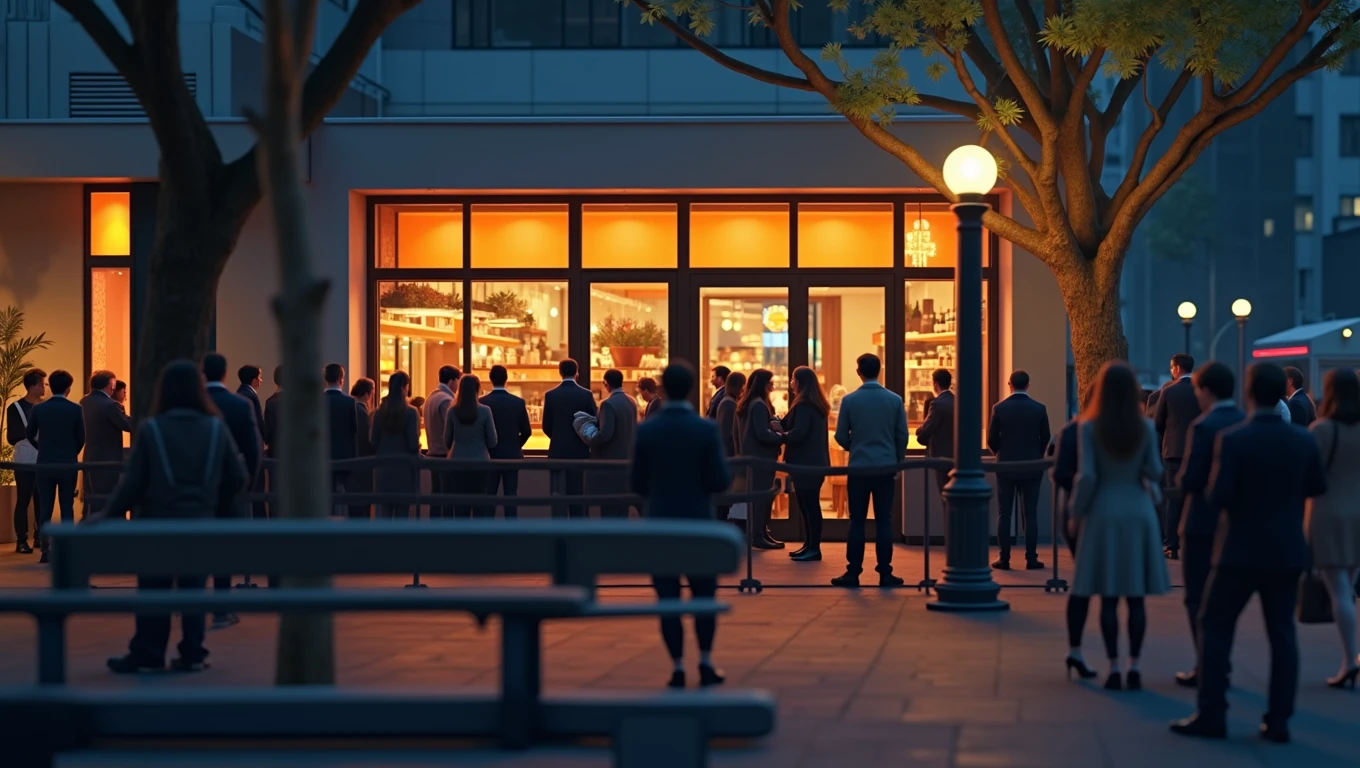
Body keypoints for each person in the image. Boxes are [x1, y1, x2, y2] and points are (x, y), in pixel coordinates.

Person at [1172, 363, 1327, 743]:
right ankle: (1278, 721)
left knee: (1215, 625)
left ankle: (1212, 713)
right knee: (1282, 635)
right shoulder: (1304, 441)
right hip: (1287, 549)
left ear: (1250, 393)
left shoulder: (1234, 440)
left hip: (1238, 549)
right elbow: (1316, 488)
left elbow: (1218, 495)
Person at [94, 360, 247, 674]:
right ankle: (193, 652)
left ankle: (148, 651)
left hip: (158, 521)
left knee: (153, 589)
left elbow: (134, 483)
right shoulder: (215, 428)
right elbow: (238, 476)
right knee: (194, 589)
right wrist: (213, 500)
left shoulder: (153, 428)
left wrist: (106, 513)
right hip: (200, 519)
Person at [1069, 361, 1170, 692]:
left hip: (1103, 511)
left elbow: (1087, 477)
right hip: (1139, 512)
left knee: (1109, 596)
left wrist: (1075, 511)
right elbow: (1155, 471)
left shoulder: (1089, 427)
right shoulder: (1145, 427)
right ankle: (1135, 665)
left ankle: (1112, 666)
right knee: (1136, 597)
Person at [630, 361, 731, 689]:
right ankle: (705, 660)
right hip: (698, 523)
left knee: (668, 599)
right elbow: (718, 480)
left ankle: (676, 666)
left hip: (660, 523)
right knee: (704, 595)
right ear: (690, 389)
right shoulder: (706, 430)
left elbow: (637, 482)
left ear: (661, 388)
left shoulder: (647, 431)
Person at [1170, 362, 1245, 690]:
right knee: (1226, 601)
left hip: (1200, 523)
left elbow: (1189, 479)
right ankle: (1222, 661)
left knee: (1197, 599)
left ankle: (1206, 664)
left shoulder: (1203, 426)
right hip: (1235, 526)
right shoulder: (1244, 422)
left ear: (1207, 390)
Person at [831, 354, 907, 588]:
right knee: (884, 519)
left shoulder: (850, 400)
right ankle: (885, 572)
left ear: (859, 372)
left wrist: (856, 446)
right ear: (880, 371)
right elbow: (902, 435)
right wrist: (897, 460)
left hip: (859, 467)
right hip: (885, 466)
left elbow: (840, 435)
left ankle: (853, 572)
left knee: (857, 520)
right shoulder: (894, 400)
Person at [1305, 368, 1360, 689]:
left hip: (1329, 513)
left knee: (1338, 589)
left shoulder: (1322, 430)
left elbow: (1310, 476)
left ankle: (1348, 658)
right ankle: (1351, 656)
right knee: (1349, 586)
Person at [203, 353, 261, 629]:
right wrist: (247, 482)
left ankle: (190, 602)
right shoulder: (239, 404)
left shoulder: (193, 403)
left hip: (194, 487)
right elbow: (252, 449)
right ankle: (221, 607)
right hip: (228, 485)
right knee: (223, 546)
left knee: (195, 546)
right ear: (225, 374)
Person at [987, 370, 1052, 571]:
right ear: (1028, 385)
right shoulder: (1039, 409)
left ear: (1009, 384)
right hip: (1032, 466)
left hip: (1005, 466)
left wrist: (1000, 453)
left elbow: (991, 440)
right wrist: (1036, 455)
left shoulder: (999, 408)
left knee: (1004, 513)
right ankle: (1031, 559)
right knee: (1030, 514)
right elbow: (1046, 437)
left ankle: (1004, 559)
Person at [1053, 395, 1096, 680]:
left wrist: (1076, 508)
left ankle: (1076, 649)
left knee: (1082, 581)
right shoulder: (1134, 427)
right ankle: (1126, 664)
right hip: (1119, 512)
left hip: (1076, 512)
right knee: (1123, 593)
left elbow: (1061, 474)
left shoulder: (1074, 430)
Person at [26, 370, 84, 563]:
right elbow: (81, 438)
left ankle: (45, 550)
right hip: (68, 463)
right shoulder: (75, 409)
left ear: (50, 385)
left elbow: (29, 433)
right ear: (69, 388)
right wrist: (71, 452)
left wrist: (41, 447)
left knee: (45, 508)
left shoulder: (39, 409)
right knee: (67, 505)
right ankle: (66, 548)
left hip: (44, 463)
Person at [1154, 353, 1202, 560]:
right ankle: (1193, 544)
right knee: (1195, 497)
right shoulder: (1202, 391)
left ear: (1176, 368)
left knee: (1172, 500)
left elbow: (1157, 423)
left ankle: (1171, 545)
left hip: (1172, 452)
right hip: (1197, 451)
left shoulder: (1168, 391)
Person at [782, 366, 830, 562]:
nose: (790, 382)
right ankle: (809, 545)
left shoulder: (803, 404)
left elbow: (799, 433)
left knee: (809, 506)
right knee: (808, 505)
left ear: (800, 382)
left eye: (793, 379)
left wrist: (781, 435)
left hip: (805, 464)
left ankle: (813, 547)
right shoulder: (815, 403)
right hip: (814, 463)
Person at [736, 368, 784, 549]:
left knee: (760, 497)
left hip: (754, 458)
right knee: (760, 498)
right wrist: (780, 436)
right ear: (763, 384)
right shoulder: (758, 405)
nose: (772, 386)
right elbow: (762, 434)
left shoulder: (750, 403)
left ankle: (761, 532)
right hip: (761, 458)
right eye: (770, 383)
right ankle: (758, 535)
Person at [542, 359, 595, 518]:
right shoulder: (586, 394)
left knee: (557, 495)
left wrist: (558, 436)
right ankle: (577, 532)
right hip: (579, 450)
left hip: (557, 450)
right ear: (577, 373)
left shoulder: (551, 395)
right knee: (577, 494)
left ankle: (558, 534)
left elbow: (546, 425)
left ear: (560, 372)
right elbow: (593, 421)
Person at [80, 369, 132, 519]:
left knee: (91, 498)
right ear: (110, 386)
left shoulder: (85, 401)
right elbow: (127, 425)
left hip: (89, 456)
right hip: (108, 459)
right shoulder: (110, 405)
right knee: (107, 498)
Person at [481, 365, 531, 519]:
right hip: (512, 455)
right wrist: (516, 444)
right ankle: (511, 531)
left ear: (490, 379)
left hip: (489, 455)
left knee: (489, 496)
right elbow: (527, 431)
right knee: (511, 496)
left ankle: (488, 530)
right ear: (506, 379)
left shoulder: (482, 402)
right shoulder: (517, 402)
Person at [587, 369, 638, 518]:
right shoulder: (631, 402)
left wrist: (590, 438)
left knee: (609, 511)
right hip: (627, 461)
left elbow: (605, 434)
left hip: (609, 463)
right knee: (623, 509)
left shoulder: (607, 404)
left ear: (606, 383)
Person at [444, 374, 497, 518]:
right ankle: (478, 538)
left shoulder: (452, 411)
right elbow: (493, 441)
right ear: (478, 389)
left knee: (460, 505)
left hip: (457, 462)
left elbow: (446, 439)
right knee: (480, 505)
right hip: (480, 462)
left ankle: (461, 538)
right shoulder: (485, 411)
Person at [371, 371, 421, 520]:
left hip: (383, 468)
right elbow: (412, 444)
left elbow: (373, 442)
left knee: (383, 518)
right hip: (404, 470)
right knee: (402, 518)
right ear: (405, 387)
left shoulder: (379, 412)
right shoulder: (411, 412)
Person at [6, 368, 45, 554]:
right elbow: (12, 436)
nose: (44, 387)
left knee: (41, 499)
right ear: (34, 385)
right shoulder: (15, 408)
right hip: (24, 459)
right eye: (42, 384)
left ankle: (39, 536)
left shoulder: (45, 406)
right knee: (23, 498)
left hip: (42, 458)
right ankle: (21, 539)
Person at [424, 365, 460, 519]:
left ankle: (434, 531)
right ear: (452, 381)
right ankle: (445, 532)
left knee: (436, 495)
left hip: (432, 452)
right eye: (458, 380)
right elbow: (451, 429)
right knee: (447, 497)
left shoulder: (431, 397)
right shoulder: (447, 401)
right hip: (444, 455)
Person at [323, 363, 359, 517]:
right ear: (341, 379)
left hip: (322, 456)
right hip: (345, 455)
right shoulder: (349, 402)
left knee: (325, 496)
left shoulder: (316, 401)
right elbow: (354, 429)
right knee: (350, 495)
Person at [237, 365, 268, 524]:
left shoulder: (243, 393)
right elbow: (255, 423)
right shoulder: (247, 396)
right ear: (254, 380)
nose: (261, 381)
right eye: (260, 377)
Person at [916, 369, 955, 493]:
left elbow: (927, 428)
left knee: (945, 496)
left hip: (942, 458)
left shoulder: (937, 404)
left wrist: (919, 432)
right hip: (960, 457)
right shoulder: (960, 402)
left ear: (935, 384)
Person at [714, 371, 745, 523]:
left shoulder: (726, 401)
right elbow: (728, 433)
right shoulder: (729, 403)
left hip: (726, 455)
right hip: (729, 456)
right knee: (726, 497)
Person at [350, 377, 377, 521]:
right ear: (367, 394)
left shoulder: (351, 407)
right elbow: (366, 439)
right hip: (362, 463)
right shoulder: (361, 412)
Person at [262, 366, 282, 519]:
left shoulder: (271, 402)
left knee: (276, 489)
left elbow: (267, 431)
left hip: (276, 452)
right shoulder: (298, 402)